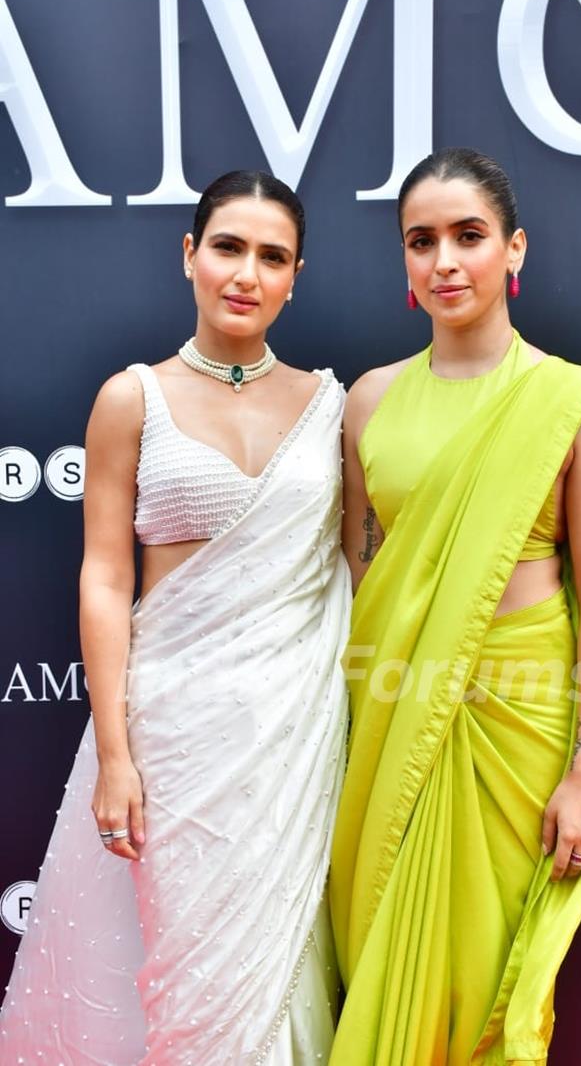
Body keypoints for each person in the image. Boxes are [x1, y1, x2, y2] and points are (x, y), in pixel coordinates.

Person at [1, 171, 350, 1064]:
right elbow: (106, 580)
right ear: (190, 255)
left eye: (272, 256)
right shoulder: (132, 399)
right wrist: (115, 755)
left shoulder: (331, 409)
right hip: (173, 739)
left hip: (295, 738)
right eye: (229, 247)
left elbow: (356, 571)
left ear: (296, 275)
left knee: (286, 963)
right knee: (188, 969)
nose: (247, 273)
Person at [329, 148, 581, 1065]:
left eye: (469, 236)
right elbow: (359, 573)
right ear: (405, 263)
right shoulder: (370, 401)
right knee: (377, 949)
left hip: (521, 722)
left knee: (487, 984)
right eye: (421, 242)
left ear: (516, 250)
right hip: (389, 708)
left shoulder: (575, 404)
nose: (445, 262)